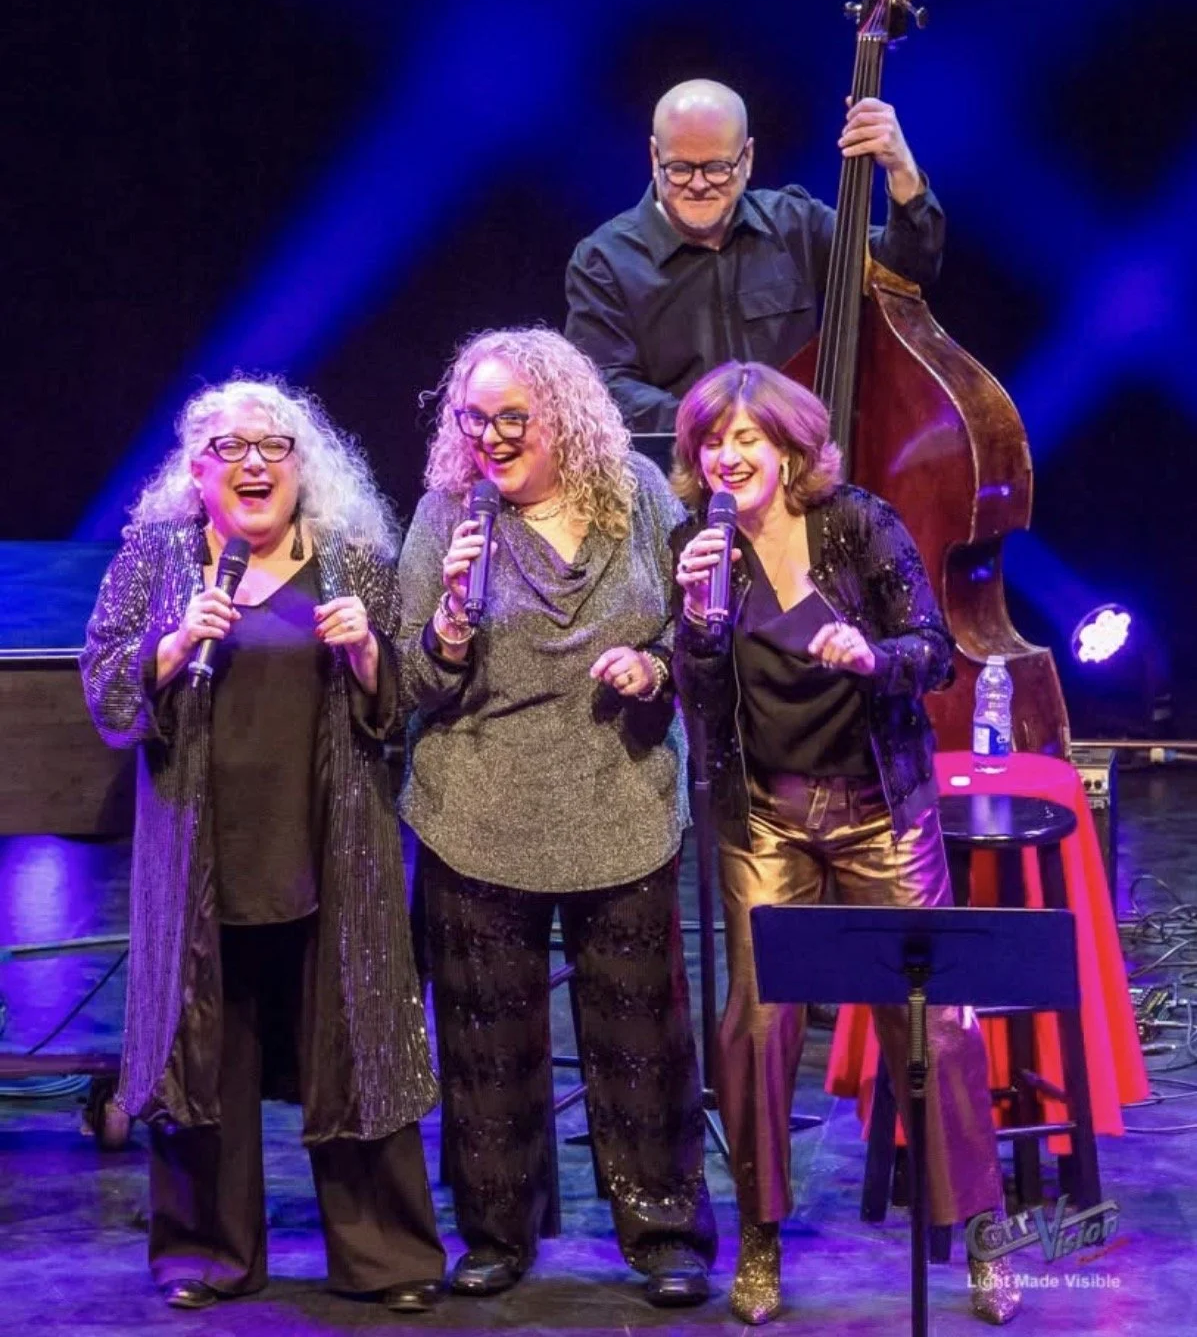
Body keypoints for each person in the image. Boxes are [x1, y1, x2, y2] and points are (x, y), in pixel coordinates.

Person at [80, 378, 445, 1315]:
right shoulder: (158, 557)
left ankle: (386, 1257)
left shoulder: (353, 558)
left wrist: (368, 654)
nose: (253, 463)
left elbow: (403, 702)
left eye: (273, 446)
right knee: (206, 1045)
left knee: (355, 1036)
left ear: (301, 463)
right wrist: (171, 645)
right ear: (195, 472)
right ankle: (207, 1253)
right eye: (229, 448)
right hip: (202, 851)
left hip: (331, 846)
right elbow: (105, 685)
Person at [670, 361, 1018, 1327]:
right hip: (765, 815)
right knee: (756, 1022)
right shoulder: (697, 548)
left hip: (878, 808)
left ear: (788, 448)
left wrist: (870, 656)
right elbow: (701, 702)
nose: (727, 456)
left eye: (746, 438)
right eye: (711, 441)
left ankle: (982, 1233)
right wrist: (693, 625)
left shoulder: (857, 525)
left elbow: (933, 654)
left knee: (932, 1023)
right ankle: (761, 1238)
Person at [396, 326, 717, 1306]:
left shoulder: (638, 495)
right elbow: (410, 681)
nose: (488, 437)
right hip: (479, 808)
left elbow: (692, 629)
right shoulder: (448, 514)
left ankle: (663, 1230)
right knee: (486, 1035)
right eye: (472, 419)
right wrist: (449, 624)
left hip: (619, 800)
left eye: (511, 417)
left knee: (641, 1034)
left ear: (564, 416)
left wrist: (654, 666)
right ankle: (496, 1230)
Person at [564, 77, 943, 431]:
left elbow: (906, 272)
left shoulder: (796, 224)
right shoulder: (604, 261)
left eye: (717, 168)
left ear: (747, 158)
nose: (698, 184)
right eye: (679, 168)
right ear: (653, 156)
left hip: (797, 468)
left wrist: (901, 168)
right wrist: (723, 424)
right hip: (678, 472)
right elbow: (604, 387)